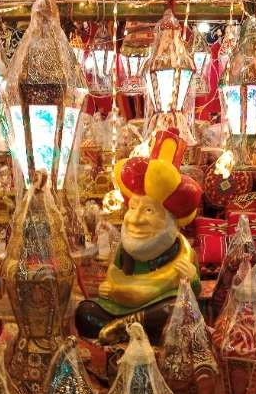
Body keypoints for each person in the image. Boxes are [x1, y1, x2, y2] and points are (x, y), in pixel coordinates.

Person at [75, 129, 202, 344]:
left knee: (176, 310)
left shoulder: (181, 250)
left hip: (158, 304)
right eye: (133, 208)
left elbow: (194, 291)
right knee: (84, 312)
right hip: (120, 305)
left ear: (170, 220)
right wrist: (109, 288)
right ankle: (126, 327)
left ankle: (122, 329)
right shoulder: (126, 248)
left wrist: (192, 278)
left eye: (149, 211)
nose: (135, 219)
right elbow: (114, 274)